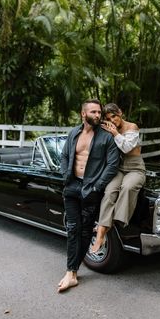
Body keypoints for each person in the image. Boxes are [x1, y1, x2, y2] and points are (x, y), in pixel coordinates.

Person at [58, 99, 120, 292]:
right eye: (93, 112)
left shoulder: (106, 137)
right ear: (83, 114)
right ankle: (71, 272)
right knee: (72, 228)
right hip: (72, 186)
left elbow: (112, 164)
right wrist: (65, 176)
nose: (97, 115)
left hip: (91, 189)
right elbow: (65, 156)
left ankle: (72, 273)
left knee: (85, 230)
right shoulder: (73, 133)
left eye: (99, 112)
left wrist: (97, 186)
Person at [91, 102, 146, 254]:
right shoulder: (108, 128)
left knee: (127, 187)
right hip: (118, 167)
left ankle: (114, 224)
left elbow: (127, 148)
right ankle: (101, 233)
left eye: (114, 116)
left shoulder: (132, 127)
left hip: (135, 168)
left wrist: (115, 133)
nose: (112, 120)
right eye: (109, 118)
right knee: (110, 191)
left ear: (120, 112)